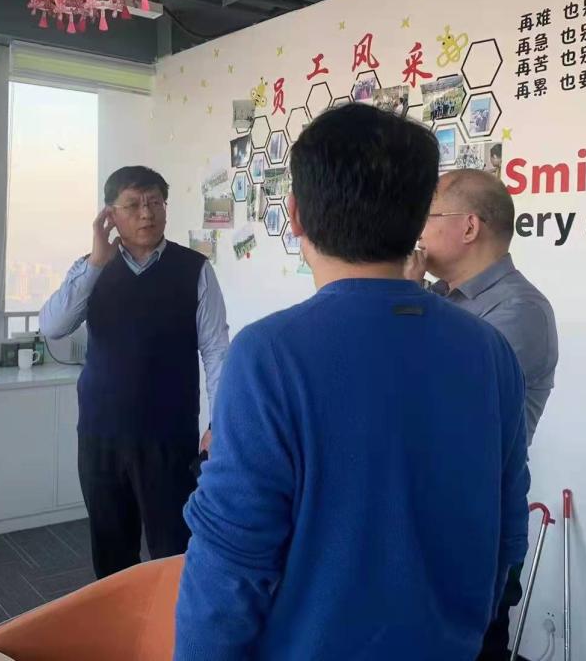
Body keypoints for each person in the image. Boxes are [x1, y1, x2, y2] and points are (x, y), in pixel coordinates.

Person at [175, 104, 529, 660]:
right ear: (417, 219)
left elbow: (229, 565)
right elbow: (507, 531)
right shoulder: (489, 350)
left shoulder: (269, 354)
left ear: (295, 215)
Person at [39, 166, 229, 579]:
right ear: (110, 215)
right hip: (101, 437)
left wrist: (220, 424)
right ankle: (117, 619)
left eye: (155, 202)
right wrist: (95, 262)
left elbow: (216, 352)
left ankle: (171, 621)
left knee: (173, 550)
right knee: (111, 552)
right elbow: (52, 326)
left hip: (169, 440)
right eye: (133, 204)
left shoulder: (195, 270)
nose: (147, 213)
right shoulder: (91, 269)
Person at [407, 168, 559, 661]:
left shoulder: (521, 311)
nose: (416, 230)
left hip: (474, 531)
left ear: (469, 227)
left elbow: (436, 407)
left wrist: (405, 303)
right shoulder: (436, 298)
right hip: (421, 522)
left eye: (427, 216)